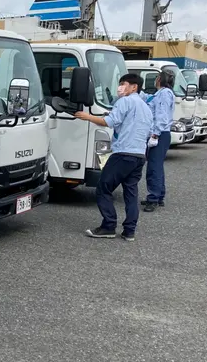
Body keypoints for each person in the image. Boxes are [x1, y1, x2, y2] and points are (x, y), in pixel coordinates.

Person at [74, 73, 152, 241]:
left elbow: (109, 122)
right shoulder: (145, 107)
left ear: (134, 87)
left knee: (103, 188)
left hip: (123, 153)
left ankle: (108, 226)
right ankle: (129, 231)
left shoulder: (125, 101)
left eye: (124, 84)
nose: (120, 87)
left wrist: (87, 117)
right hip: (139, 155)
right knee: (131, 193)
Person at [139, 70, 176, 212]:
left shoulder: (165, 93)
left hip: (159, 134)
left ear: (160, 79)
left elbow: (162, 116)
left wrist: (155, 134)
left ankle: (153, 198)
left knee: (154, 168)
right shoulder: (159, 94)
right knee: (157, 166)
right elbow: (148, 99)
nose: (155, 80)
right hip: (161, 134)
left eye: (156, 78)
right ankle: (159, 195)